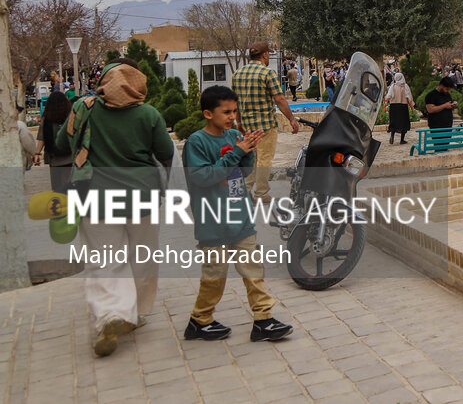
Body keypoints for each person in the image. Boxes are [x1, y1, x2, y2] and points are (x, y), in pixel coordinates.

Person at [56, 59, 173, 358]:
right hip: (142, 197)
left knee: (103, 260)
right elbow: (165, 152)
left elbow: (60, 143)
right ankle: (135, 313)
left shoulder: (86, 108)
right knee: (142, 256)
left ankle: (109, 314)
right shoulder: (148, 114)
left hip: (95, 197)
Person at [182, 85, 293, 343]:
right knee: (215, 275)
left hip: (239, 218)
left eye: (234, 111)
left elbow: (241, 174)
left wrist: (248, 152)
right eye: (226, 112)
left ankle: (263, 319)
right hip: (213, 221)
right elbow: (203, 177)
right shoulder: (196, 142)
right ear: (208, 114)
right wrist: (238, 152)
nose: (232, 117)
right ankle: (199, 320)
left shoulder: (233, 135)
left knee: (254, 270)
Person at [230, 42, 300, 204]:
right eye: (268, 53)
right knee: (264, 159)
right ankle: (261, 194)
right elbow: (279, 99)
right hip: (265, 125)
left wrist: (238, 122)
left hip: (247, 125)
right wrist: (291, 119)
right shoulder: (267, 73)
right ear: (264, 55)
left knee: (251, 159)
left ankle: (245, 191)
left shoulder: (238, 74)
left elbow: (235, 102)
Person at [37, 91, 74, 193]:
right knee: (70, 186)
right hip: (70, 157)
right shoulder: (72, 117)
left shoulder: (47, 119)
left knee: (57, 188)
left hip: (55, 158)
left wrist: (37, 154)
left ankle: (60, 206)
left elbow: (42, 138)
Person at [421, 78, 459, 152]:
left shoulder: (447, 95)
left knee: (445, 147)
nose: (448, 91)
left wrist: (453, 105)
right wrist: (444, 105)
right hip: (436, 126)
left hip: (447, 125)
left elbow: (448, 105)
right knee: (439, 147)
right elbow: (430, 109)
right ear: (441, 85)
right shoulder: (431, 95)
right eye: (447, 89)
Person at [386, 72, 415, 145]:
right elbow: (409, 98)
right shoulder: (405, 86)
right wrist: (412, 107)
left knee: (394, 121)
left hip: (394, 107)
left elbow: (388, 96)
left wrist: (386, 101)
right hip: (403, 107)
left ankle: (392, 135)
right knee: (403, 122)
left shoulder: (393, 86)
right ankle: (402, 140)